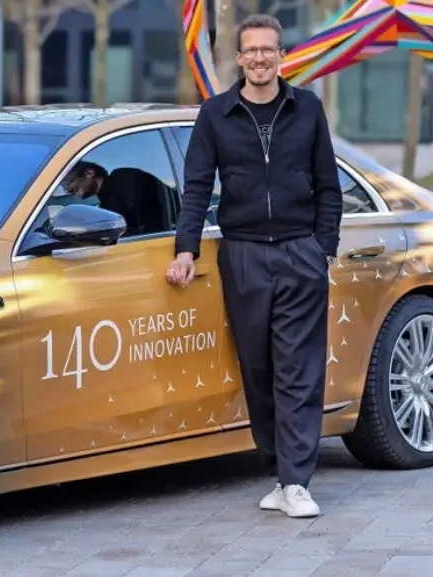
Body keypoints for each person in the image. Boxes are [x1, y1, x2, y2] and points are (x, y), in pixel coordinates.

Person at [166, 14, 342, 518]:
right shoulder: (215, 115)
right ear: (239, 58)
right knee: (258, 368)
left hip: (299, 253)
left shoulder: (306, 108)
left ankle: (297, 481)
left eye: (269, 49)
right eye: (252, 50)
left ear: (281, 56)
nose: (260, 58)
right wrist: (185, 249)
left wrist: (322, 249)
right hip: (242, 254)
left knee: (298, 370)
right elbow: (197, 187)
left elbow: (328, 186)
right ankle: (279, 470)